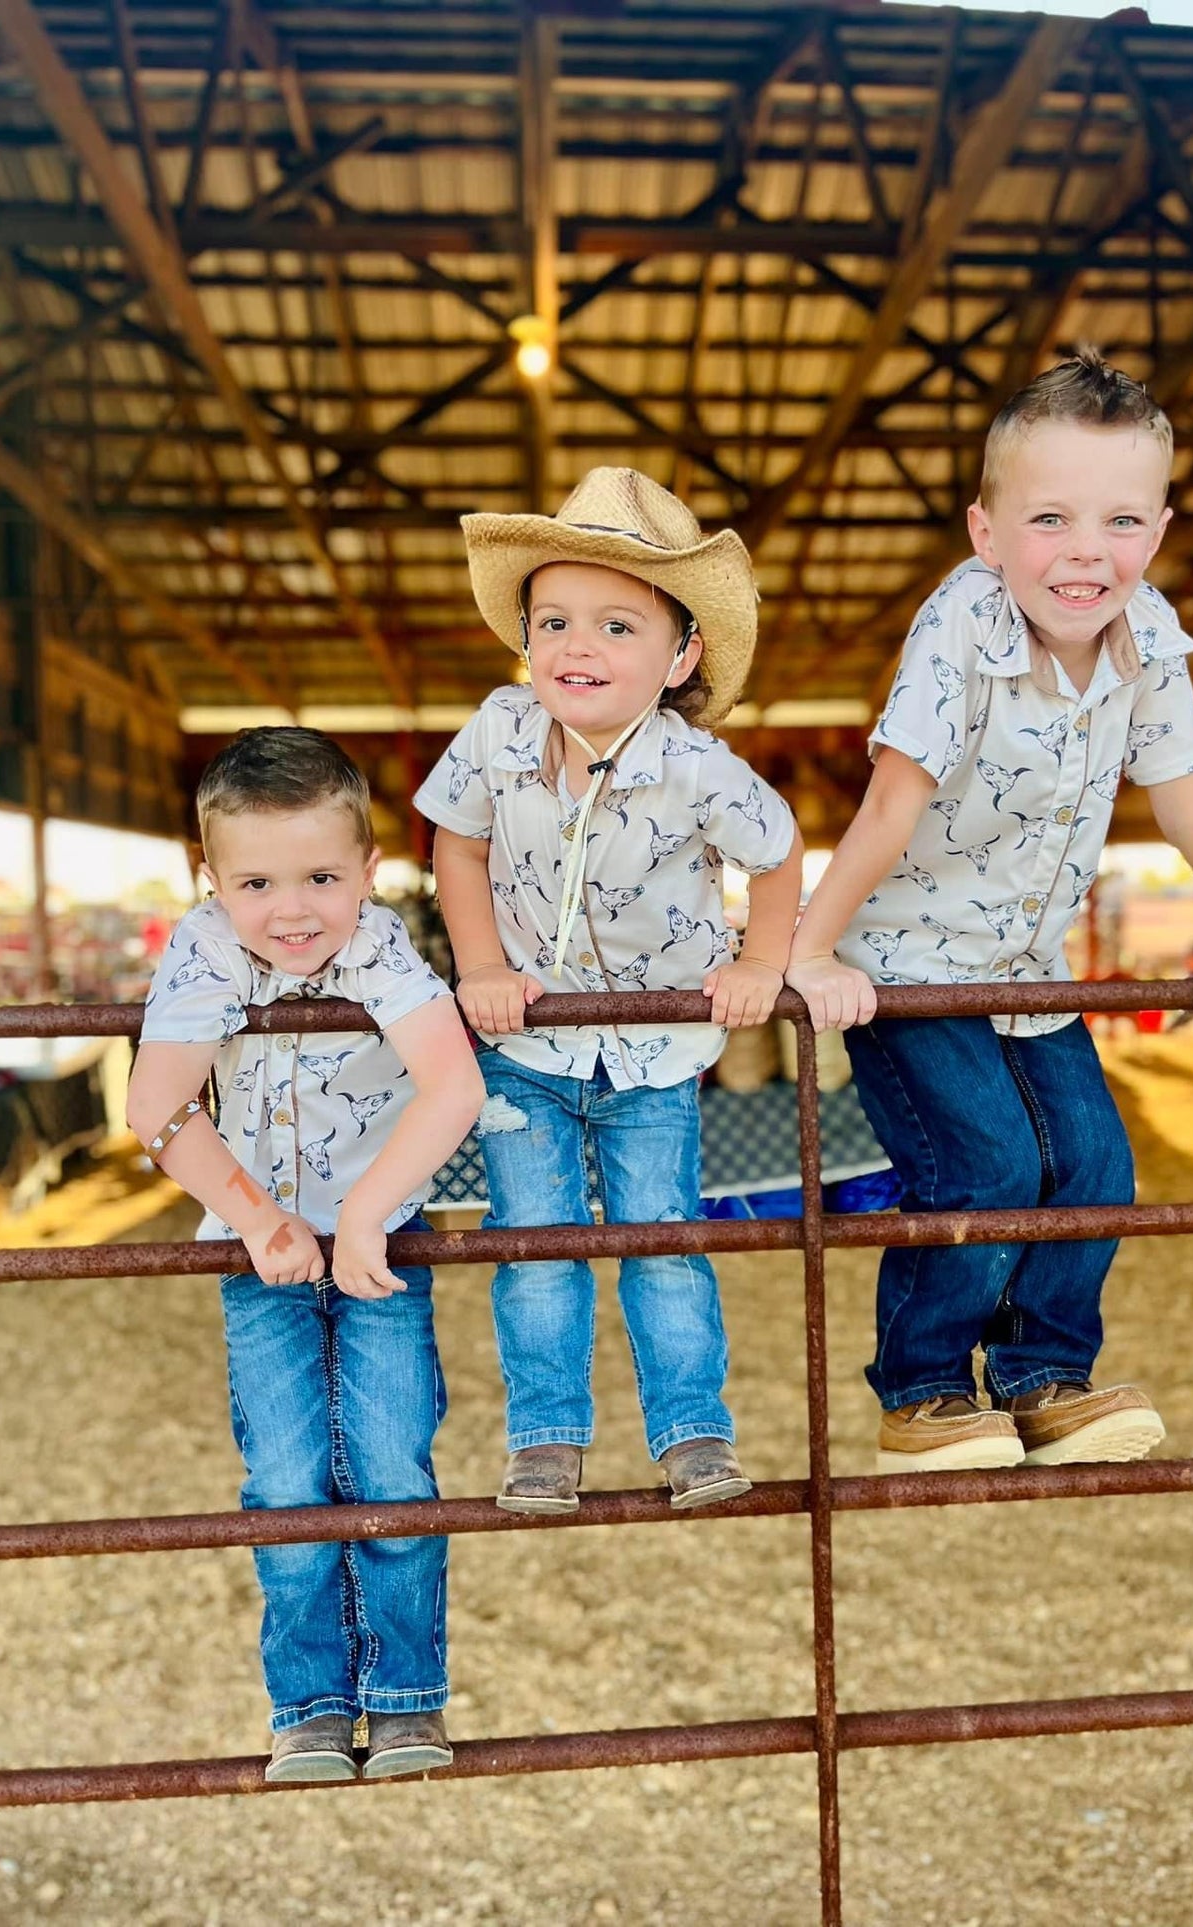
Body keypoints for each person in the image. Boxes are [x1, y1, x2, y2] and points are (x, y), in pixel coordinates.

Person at [785, 350, 1193, 1475]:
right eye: (1049, 517)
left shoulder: (1150, 636)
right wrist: (809, 948)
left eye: (1119, 520)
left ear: (1156, 531)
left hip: (1026, 964)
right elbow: (888, 802)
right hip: (908, 962)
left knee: (1096, 1170)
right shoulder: (958, 629)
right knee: (988, 1167)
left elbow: (1189, 810)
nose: (1085, 551)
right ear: (985, 532)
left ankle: (1043, 1378)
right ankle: (920, 1390)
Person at [416, 468, 803, 1515]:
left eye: (617, 624)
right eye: (553, 620)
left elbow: (775, 852)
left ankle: (691, 1432)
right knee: (535, 1249)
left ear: (681, 655)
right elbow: (454, 847)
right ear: (524, 640)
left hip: (652, 1052)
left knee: (661, 1239)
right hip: (525, 1049)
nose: (576, 645)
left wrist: (759, 964)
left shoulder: (698, 766)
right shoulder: (496, 733)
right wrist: (481, 967)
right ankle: (543, 1440)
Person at [125, 728, 483, 1783]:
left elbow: (451, 1083)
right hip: (255, 1258)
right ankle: (311, 1708)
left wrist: (368, 1211)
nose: (294, 909)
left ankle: (408, 1700)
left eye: (322, 876)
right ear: (211, 879)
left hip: (380, 1245)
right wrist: (252, 1216)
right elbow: (156, 1103)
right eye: (257, 881)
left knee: (390, 1464)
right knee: (283, 1481)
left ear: (367, 872)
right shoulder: (201, 945)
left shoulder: (376, 942)